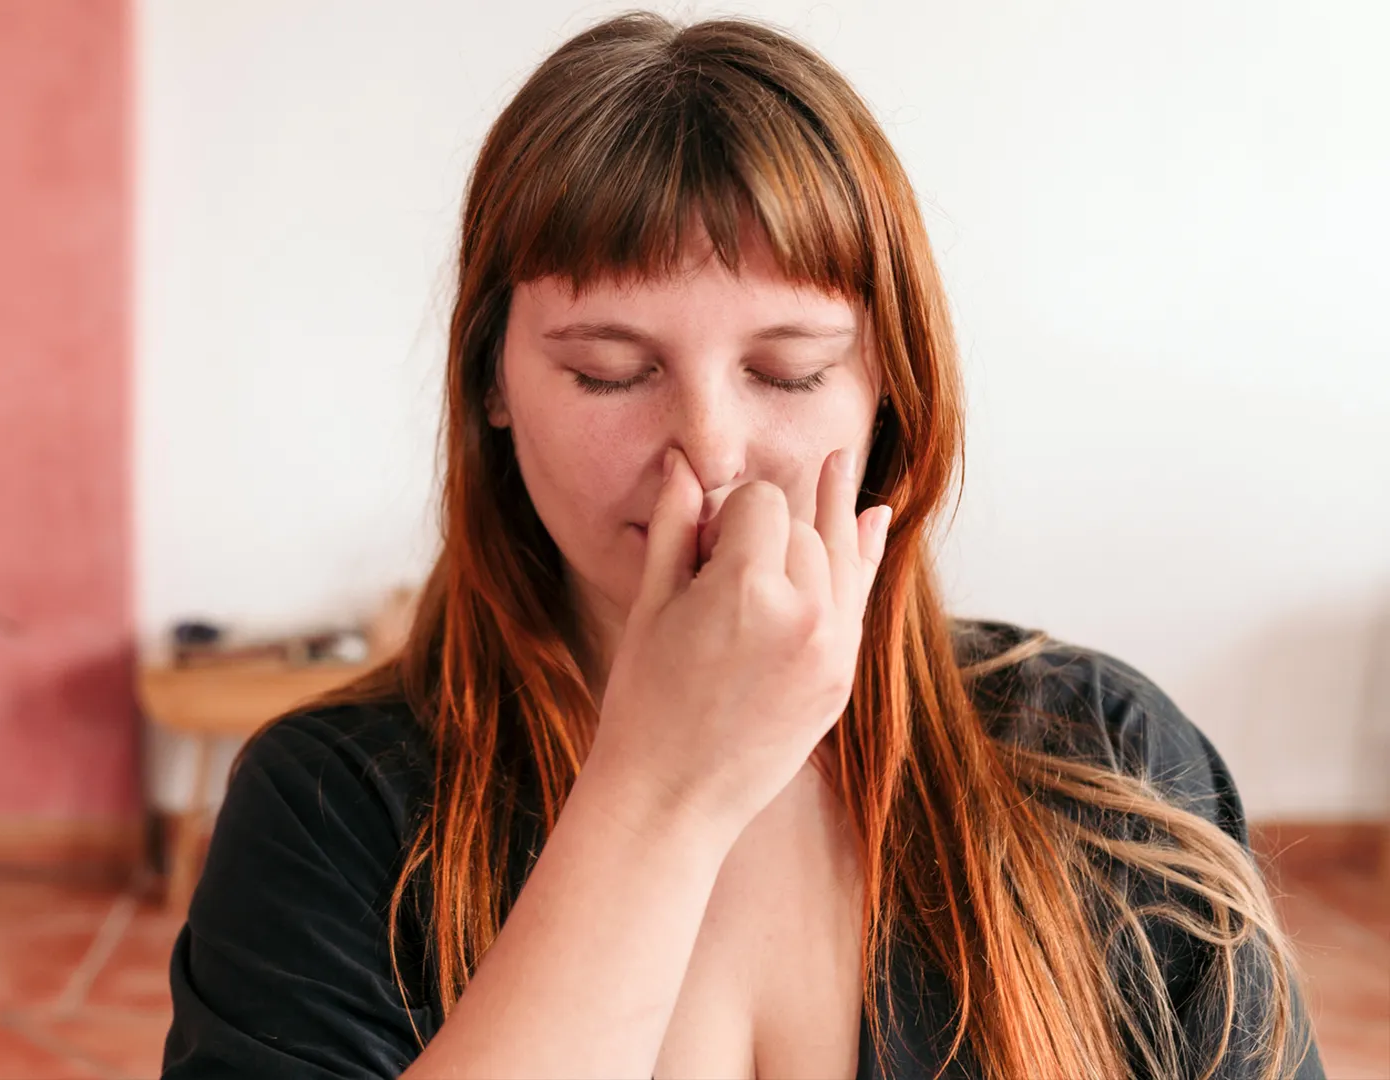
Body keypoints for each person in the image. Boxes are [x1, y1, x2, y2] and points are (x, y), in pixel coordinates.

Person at [160, 11, 1325, 1079]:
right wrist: (658, 794)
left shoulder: (1108, 762)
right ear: (492, 383)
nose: (708, 453)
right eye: (608, 371)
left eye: (789, 371)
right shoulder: (328, 810)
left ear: (889, 391)